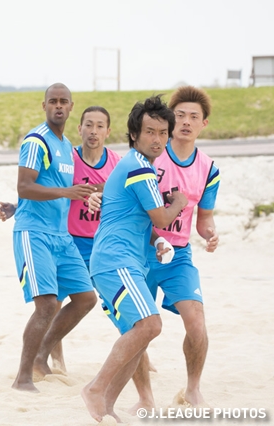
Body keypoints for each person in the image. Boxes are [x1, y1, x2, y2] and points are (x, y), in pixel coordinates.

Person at [81, 96, 188, 422]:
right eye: (150, 132)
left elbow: (136, 219)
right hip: (116, 261)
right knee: (150, 325)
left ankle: (106, 404)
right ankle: (95, 388)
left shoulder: (140, 166)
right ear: (134, 135)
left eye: (163, 133)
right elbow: (160, 216)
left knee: (139, 334)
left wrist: (155, 242)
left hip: (123, 260)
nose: (157, 139)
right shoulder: (140, 167)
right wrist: (180, 203)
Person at [0, 105, 120, 374]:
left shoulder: (115, 163)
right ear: (80, 127)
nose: (93, 131)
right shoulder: (69, 154)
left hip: (97, 241)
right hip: (69, 237)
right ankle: (48, 361)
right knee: (52, 304)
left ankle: (140, 359)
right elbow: (46, 186)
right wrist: (20, 207)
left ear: (108, 131)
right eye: (89, 124)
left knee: (90, 300)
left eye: (100, 126)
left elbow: (116, 189)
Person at [128, 86, 220, 412]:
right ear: (170, 118)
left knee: (196, 322)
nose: (185, 121)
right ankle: (144, 397)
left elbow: (203, 219)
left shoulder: (209, 168)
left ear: (203, 124)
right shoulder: (151, 156)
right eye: (179, 114)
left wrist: (210, 234)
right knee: (138, 327)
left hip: (178, 254)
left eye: (193, 116)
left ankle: (192, 389)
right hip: (141, 250)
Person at [10, 83, 98, 393]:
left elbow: (43, 188)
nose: (58, 106)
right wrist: (66, 192)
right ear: (44, 105)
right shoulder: (37, 141)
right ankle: (22, 377)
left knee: (87, 298)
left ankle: (42, 353)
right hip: (34, 234)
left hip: (62, 237)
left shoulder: (66, 146)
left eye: (63, 102)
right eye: (53, 101)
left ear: (71, 107)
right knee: (46, 306)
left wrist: (79, 197)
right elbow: (25, 186)